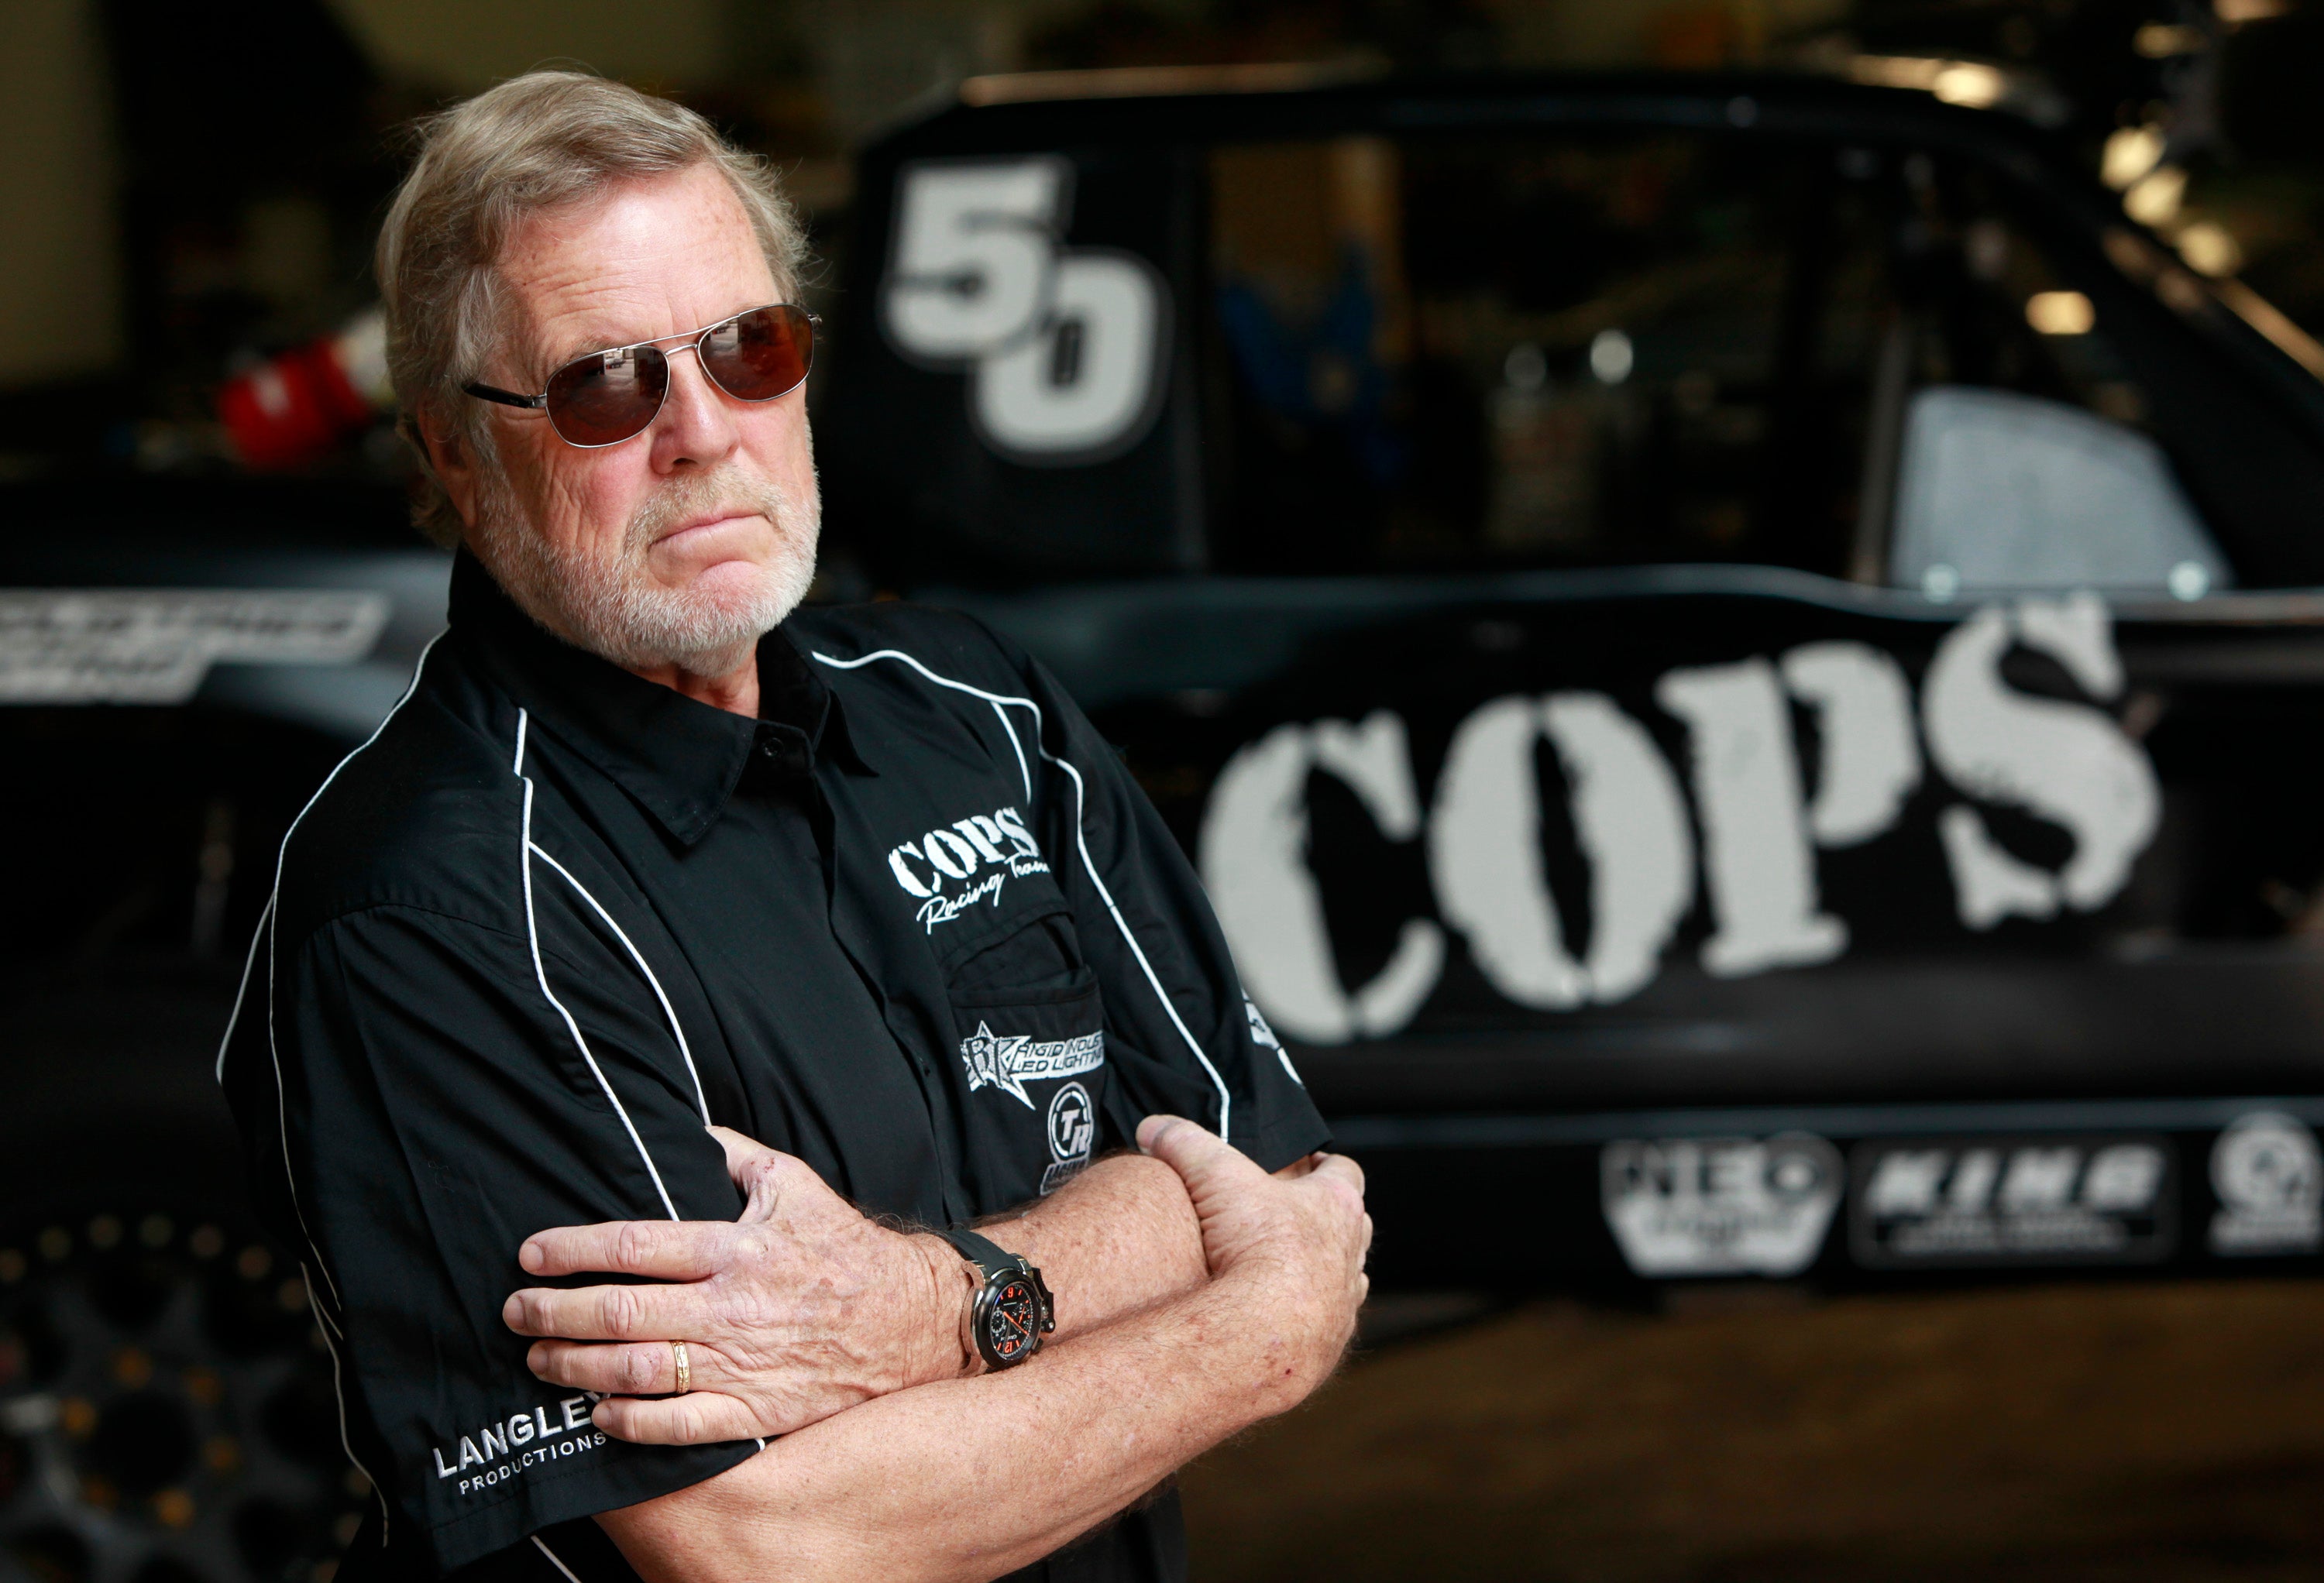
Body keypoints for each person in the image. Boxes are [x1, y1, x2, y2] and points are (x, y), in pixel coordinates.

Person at [215, 70, 1370, 1583]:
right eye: (605, 384)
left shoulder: (982, 708)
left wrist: (940, 1302)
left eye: (748, 347)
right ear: (452, 451)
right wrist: (1251, 1333)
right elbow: (768, 1533)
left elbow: (1266, 1173)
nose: (704, 432)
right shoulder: (429, 911)